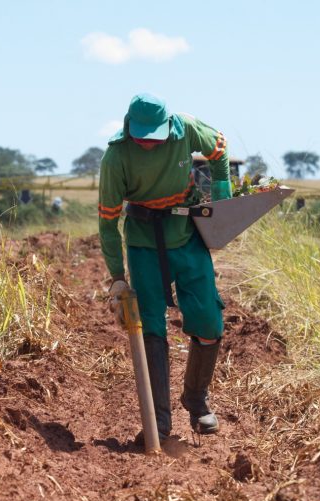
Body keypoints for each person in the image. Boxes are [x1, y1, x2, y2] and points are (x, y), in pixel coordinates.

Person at [99, 93, 231, 444]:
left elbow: (220, 150)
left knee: (208, 320)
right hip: (143, 241)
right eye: (140, 136)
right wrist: (116, 277)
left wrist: (222, 199)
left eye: (152, 136)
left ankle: (196, 399)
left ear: (166, 125)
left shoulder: (186, 128)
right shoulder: (116, 157)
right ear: (129, 127)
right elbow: (107, 221)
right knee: (151, 328)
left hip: (187, 234)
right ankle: (158, 423)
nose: (146, 143)